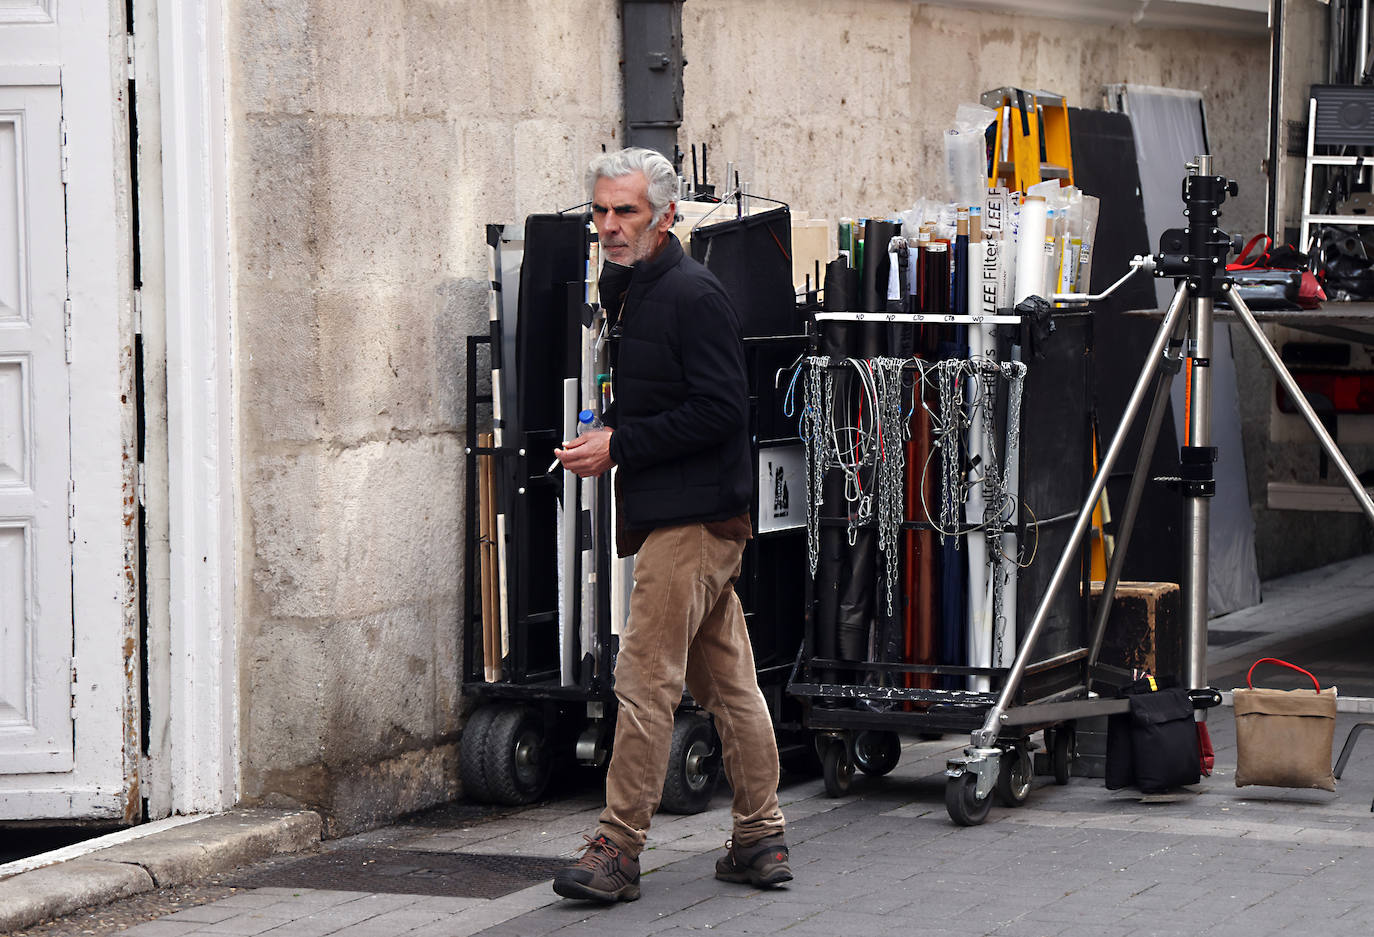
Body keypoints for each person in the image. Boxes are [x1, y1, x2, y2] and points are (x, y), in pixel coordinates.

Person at [551, 147, 790, 903]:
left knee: (644, 681)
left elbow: (723, 409)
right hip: (692, 514)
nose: (611, 226)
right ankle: (760, 835)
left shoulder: (691, 294)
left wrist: (618, 443)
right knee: (730, 684)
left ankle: (618, 849)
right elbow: (664, 396)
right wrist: (616, 429)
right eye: (601, 211)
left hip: (691, 522)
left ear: (666, 217)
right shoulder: (632, 291)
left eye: (627, 211)